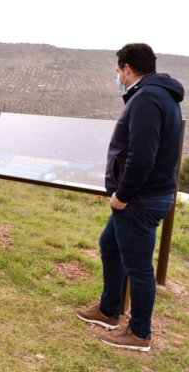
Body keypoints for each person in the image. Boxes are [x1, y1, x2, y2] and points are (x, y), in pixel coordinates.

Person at [76, 43, 183, 351]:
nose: (118, 77)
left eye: (117, 70)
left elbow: (141, 156)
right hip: (147, 195)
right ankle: (109, 310)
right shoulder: (159, 94)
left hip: (140, 199)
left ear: (127, 68)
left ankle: (139, 333)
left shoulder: (147, 98)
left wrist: (122, 195)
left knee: (138, 267)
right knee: (109, 245)